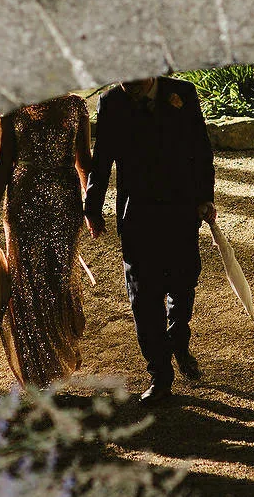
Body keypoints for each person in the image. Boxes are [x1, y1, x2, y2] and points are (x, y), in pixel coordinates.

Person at [84, 76, 217, 403]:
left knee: (183, 285)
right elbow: (100, 163)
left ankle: (178, 338)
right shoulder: (111, 102)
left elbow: (201, 151)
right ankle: (160, 374)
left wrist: (205, 198)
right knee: (144, 299)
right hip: (137, 218)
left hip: (181, 211)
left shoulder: (182, 94)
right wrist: (92, 208)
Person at [0, 94, 93, 388]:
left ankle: (55, 360)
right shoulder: (10, 106)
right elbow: (3, 161)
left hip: (63, 205)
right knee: (29, 283)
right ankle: (37, 371)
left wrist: (92, 206)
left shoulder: (74, 106)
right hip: (25, 204)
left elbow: (83, 160)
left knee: (55, 281)